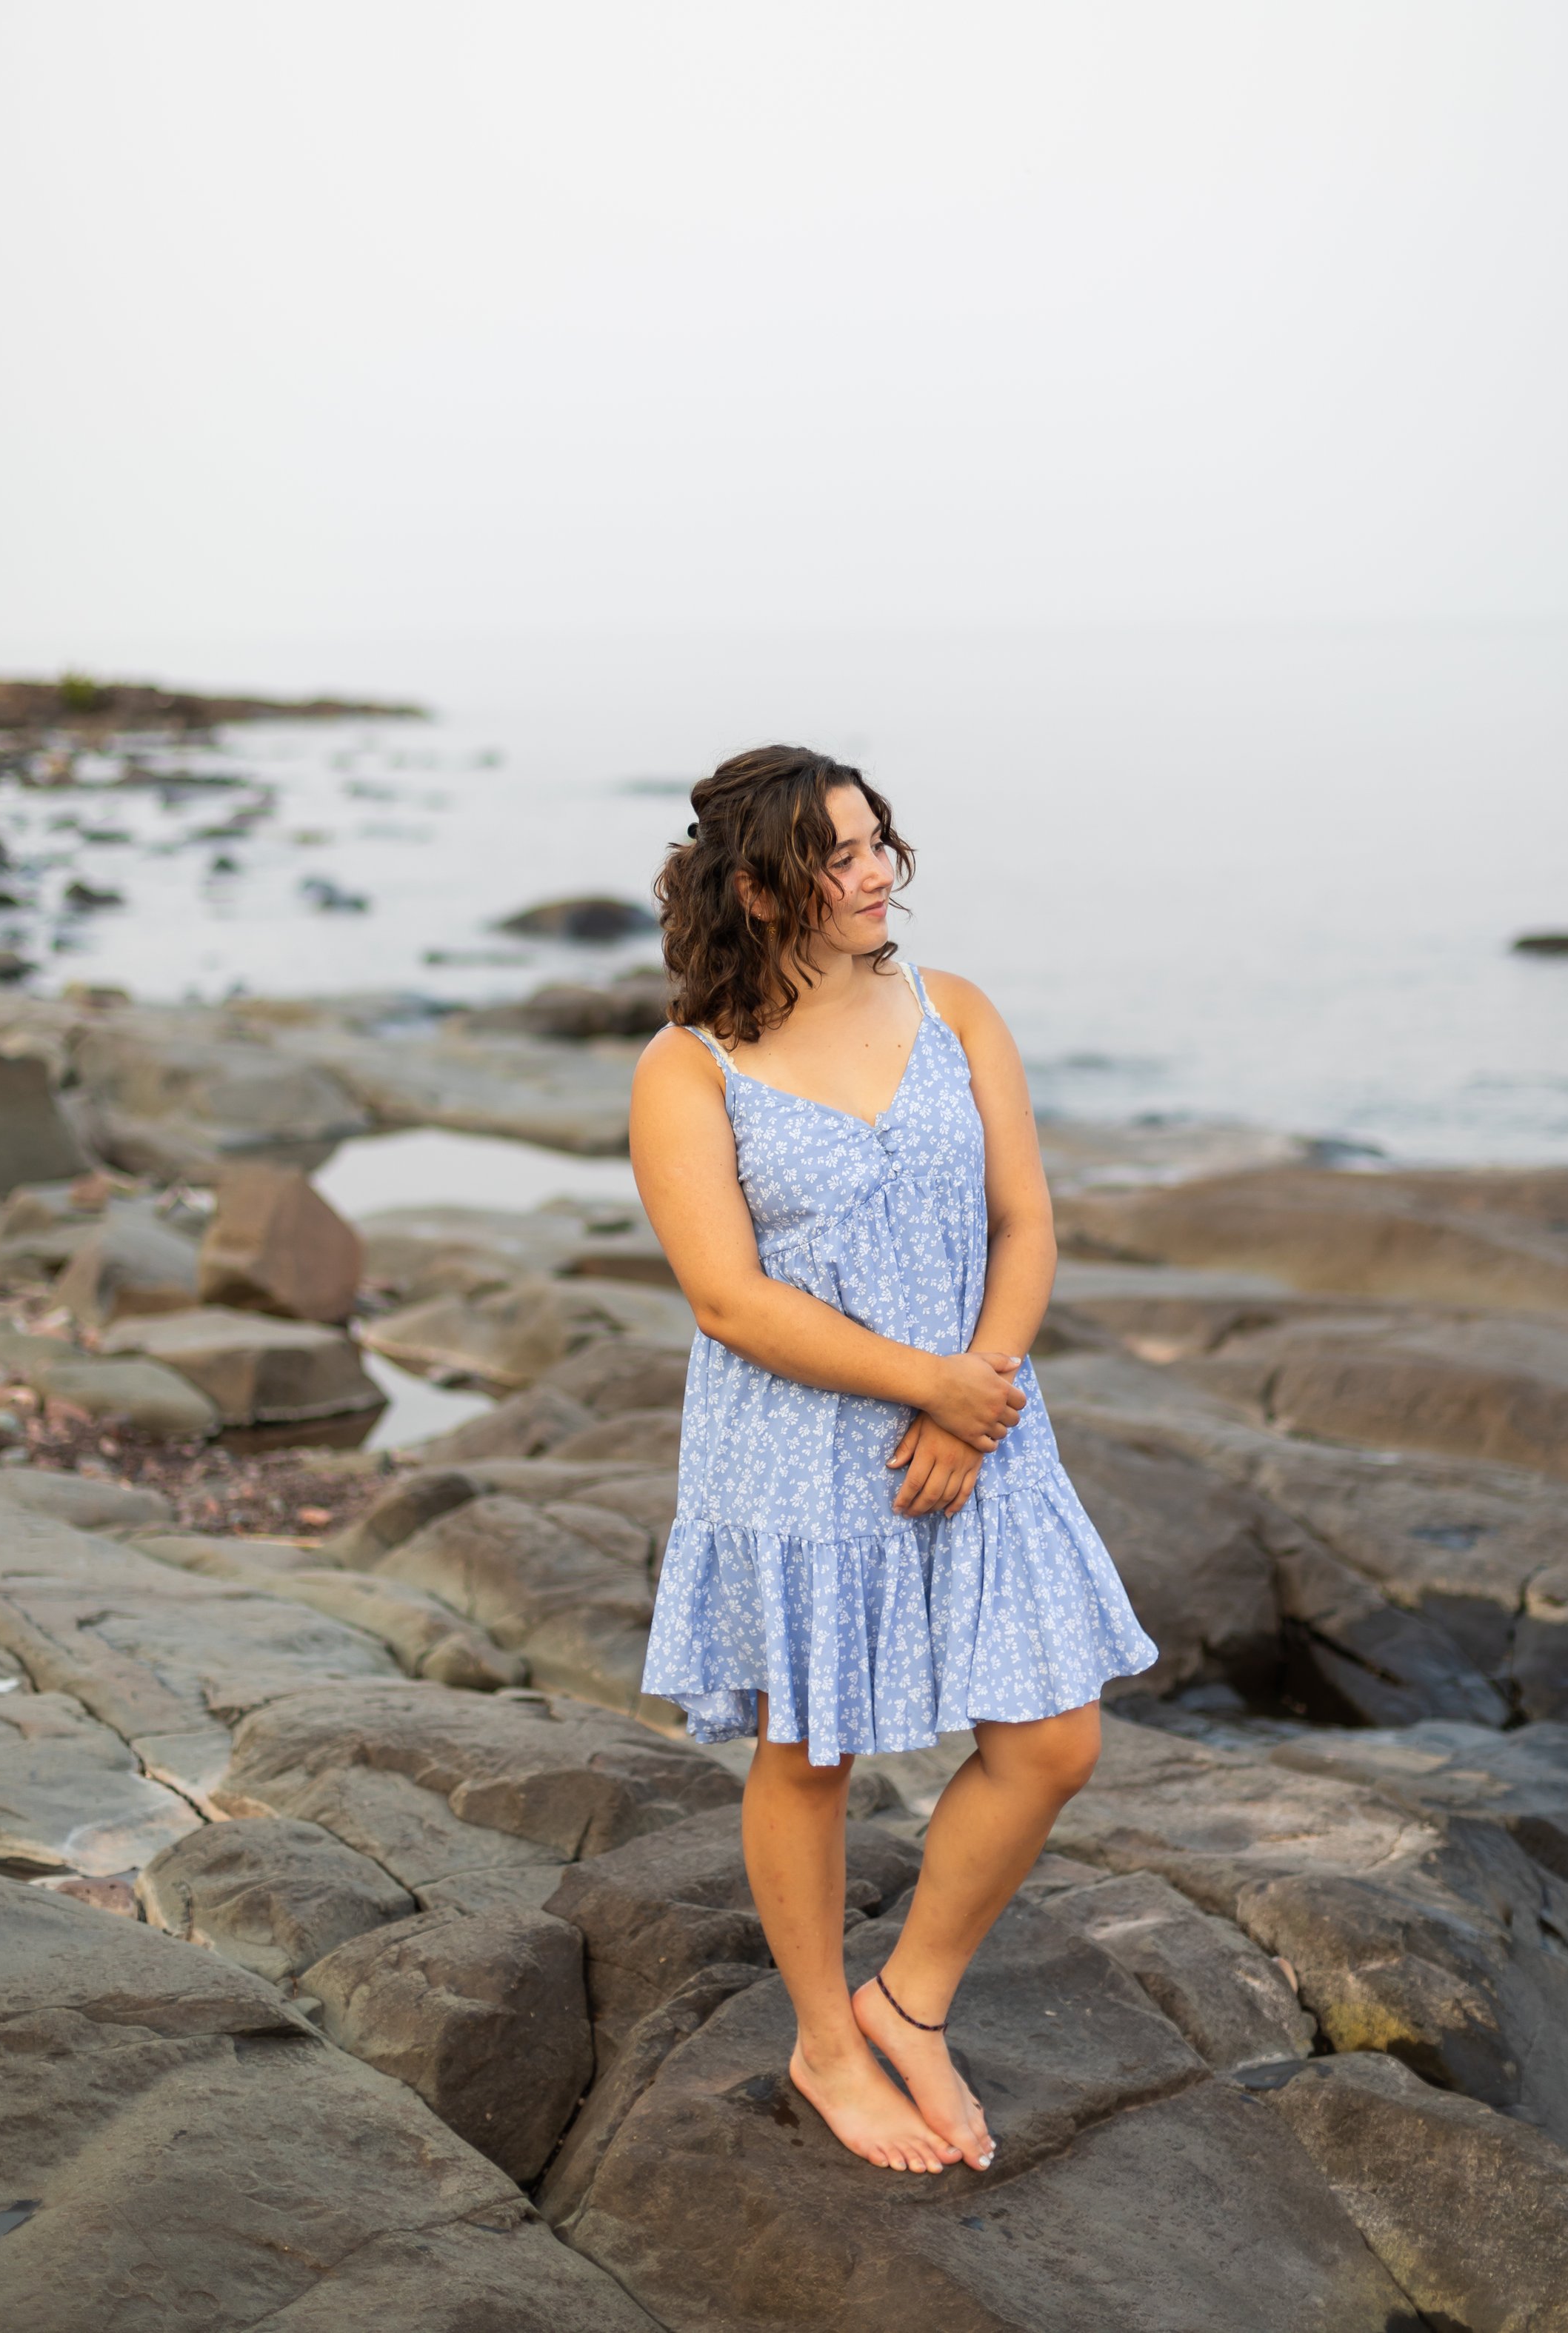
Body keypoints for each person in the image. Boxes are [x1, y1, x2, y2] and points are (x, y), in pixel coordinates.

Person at [630, 743, 1158, 2177]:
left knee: (1052, 1737)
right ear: (757, 887)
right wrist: (922, 1385)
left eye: (877, 844)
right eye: (836, 855)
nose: (874, 874)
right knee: (809, 1752)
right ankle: (821, 2043)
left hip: (980, 1430)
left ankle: (906, 2003)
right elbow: (729, 1301)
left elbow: (1023, 1224)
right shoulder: (688, 1072)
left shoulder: (954, 1011)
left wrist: (965, 1393)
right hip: (799, 1458)